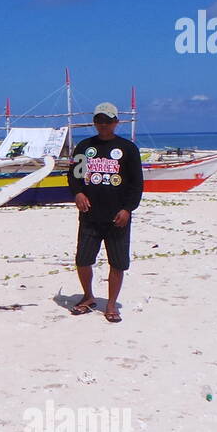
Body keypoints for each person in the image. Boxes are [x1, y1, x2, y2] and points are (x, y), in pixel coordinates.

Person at [67, 102, 142, 323]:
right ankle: (88, 297)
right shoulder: (84, 146)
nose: (103, 125)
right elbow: (74, 175)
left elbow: (136, 184)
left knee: (117, 263)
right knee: (83, 259)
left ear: (116, 122)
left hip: (117, 217)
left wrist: (128, 209)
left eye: (108, 121)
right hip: (90, 215)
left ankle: (111, 305)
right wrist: (78, 193)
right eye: (99, 121)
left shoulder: (128, 149)